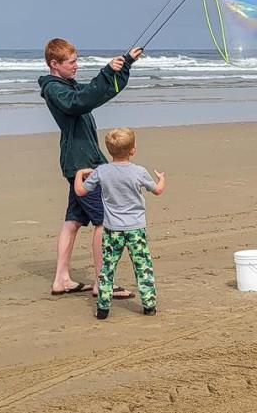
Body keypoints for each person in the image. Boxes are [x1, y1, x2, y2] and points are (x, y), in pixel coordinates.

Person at [39, 38, 142, 298]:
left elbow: (99, 93)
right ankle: (101, 281)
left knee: (73, 221)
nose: (76, 66)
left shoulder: (67, 87)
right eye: (71, 62)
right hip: (83, 165)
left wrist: (125, 64)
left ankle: (62, 279)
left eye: (76, 60)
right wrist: (106, 71)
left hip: (80, 163)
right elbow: (80, 102)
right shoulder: (56, 90)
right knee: (104, 221)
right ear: (55, 64)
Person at [74, 127, 165, 319]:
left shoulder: (102, 171)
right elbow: (157, 190)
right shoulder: (139, 171)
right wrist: (161, 179)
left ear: (109, 150)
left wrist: (79, 174)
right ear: (133, 150)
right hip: (136, 229)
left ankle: (103, 308)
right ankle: (149, 305)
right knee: (143, 266)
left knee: (108, 267)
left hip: (113, 229)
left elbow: (81, 191)